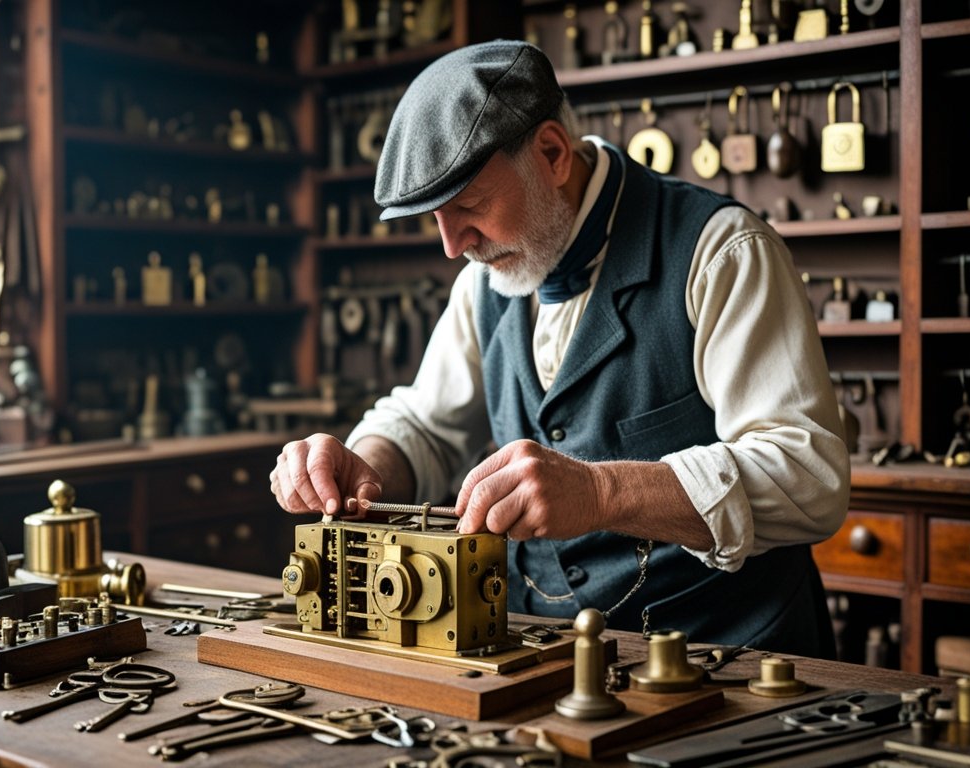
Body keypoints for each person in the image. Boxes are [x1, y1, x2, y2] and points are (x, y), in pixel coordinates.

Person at [269, 40, 849, 657]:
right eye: (434, 218)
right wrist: (365, 464)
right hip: (539, 660)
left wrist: (601, 493)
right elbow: (426, 425)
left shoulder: (722, 253)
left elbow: (807, 478)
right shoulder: (484, 282)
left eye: (468, 207)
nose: (451, 245)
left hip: (723, 663)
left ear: (551, 153)